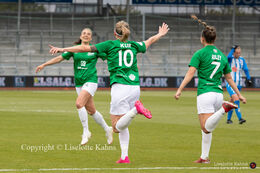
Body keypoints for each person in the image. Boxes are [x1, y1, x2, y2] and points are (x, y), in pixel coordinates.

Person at [49, 21, 169, 163]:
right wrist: (160, 34)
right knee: (123, 123)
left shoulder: (110, 45)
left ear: (114, 33)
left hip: (120, 87)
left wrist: (62, 49)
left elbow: (83, 48)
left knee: (116, 127)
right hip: (135, 87)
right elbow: (149, 41)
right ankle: (124, 156)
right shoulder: (134, 45)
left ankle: (136, 110)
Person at [175, 15, 246, 163]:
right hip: (218, 93)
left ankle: (224, 109)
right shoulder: (221, 56)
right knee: (207, 128)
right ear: (214, 39)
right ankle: (204, 157)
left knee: (205, 127)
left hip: (205, 93)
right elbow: (229, 78)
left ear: (202, 39)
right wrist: (239, 94)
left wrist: (180, 89)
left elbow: (190, 73)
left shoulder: (200, 53)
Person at [36, 28, 113, 146]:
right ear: (81, 36)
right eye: (84, 33)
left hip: (91, 81)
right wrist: (44, 64)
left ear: (91, 38)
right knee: (91, 111)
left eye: (88, 34)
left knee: (79, 104)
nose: (86, 35)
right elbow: (59, 58)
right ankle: (107, 129)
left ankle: (86, 132)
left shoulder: (95, 50)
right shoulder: (74, 50)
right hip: (79, 83)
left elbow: (109, 57)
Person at [225, 45, 252, 124]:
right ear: (234, 53)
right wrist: (233, 48)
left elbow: (246, 69)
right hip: (230, 83)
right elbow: (228, 57)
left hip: (239, 84)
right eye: (236, 53)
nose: (238, 54)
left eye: (239, 53)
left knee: (232, 102)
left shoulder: (242, 60)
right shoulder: (230, 59)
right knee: (236, 100)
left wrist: (249, 78)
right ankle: (240, 118)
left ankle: (228, 119)